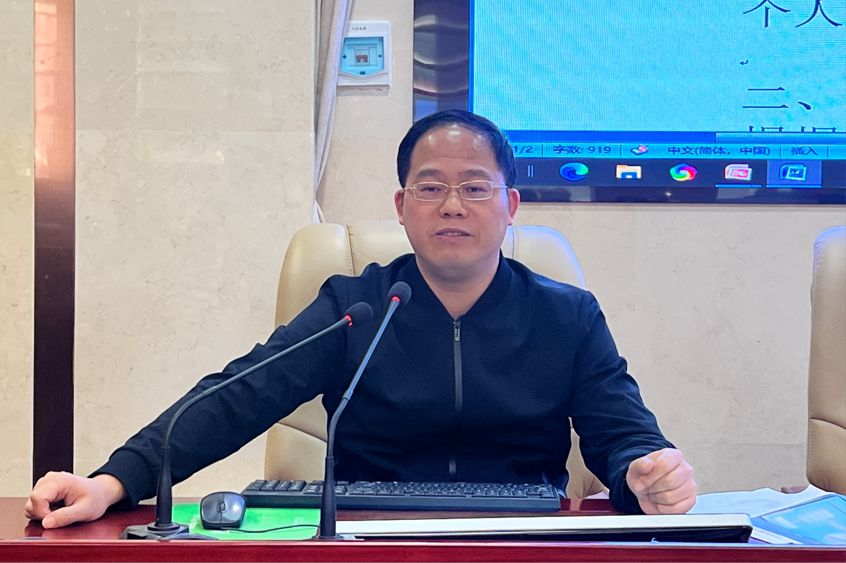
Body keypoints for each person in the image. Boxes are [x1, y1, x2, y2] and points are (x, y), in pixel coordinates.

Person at [26, 110, 696, 529]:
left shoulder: (566, 314)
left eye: (474, 187)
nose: (452, 205)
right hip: (368, 536)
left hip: (517, 536)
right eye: (431, 187)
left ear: (510, 205)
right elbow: (237, 396)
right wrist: (114, 480)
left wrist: (645, 471)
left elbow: (623, 433)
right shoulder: (359, 306)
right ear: (402, 207)